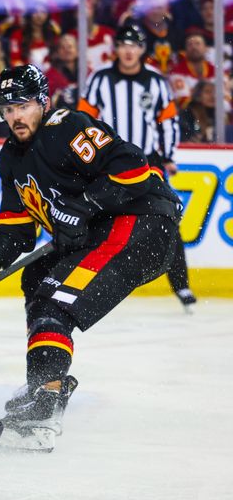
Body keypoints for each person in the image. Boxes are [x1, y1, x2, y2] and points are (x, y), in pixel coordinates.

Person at [0, 64, 183, 452]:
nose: (14, 117)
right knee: (37, 280)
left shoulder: (66, 126)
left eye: (22, 106)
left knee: (54, 303)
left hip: (140, 223)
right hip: (102, 232)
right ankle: (43, 385)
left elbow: (133, 167)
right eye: (6, 110)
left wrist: (86, 205)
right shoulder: (11, 157)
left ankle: (47, 401)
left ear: (42, 102)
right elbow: (15, 227)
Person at [78, 23, 197, 308]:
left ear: (142, 50)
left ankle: (180, 286)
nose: (128, 51)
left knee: (165, 219)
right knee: (94, 219)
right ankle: (85, 281)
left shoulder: (155, 82)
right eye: (123, 45)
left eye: (134, 45)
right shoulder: (100, 80)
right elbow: (84, 121)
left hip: (147, 162)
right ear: (115, 49)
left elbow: (167, 121)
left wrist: (168, 156)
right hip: (109, 161)